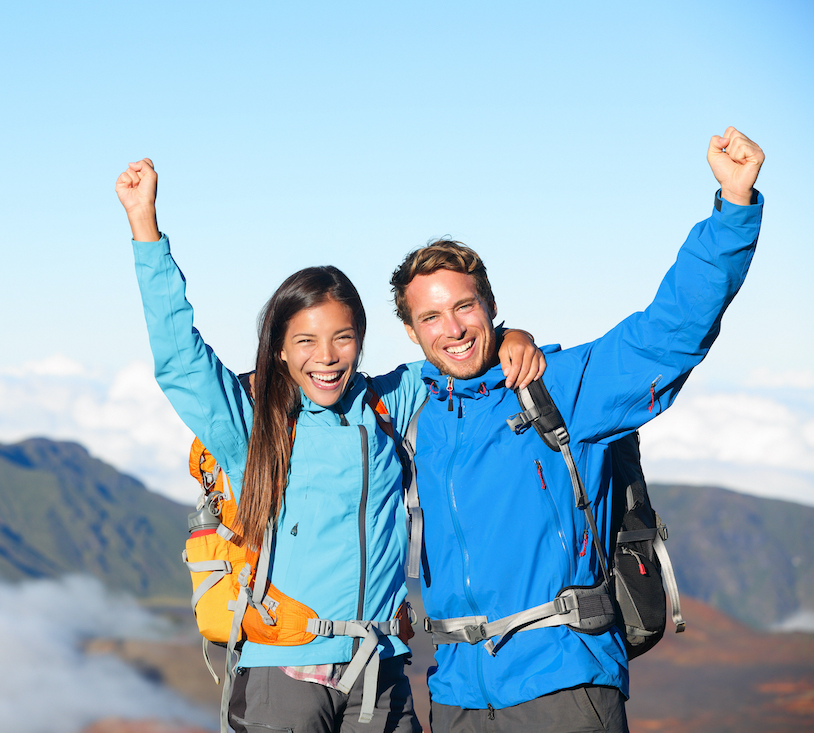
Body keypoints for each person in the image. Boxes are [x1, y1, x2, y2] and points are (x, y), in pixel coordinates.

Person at [115, 158, 544, 733]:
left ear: (361, 342)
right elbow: (179, 360)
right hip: (281, 673)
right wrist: (145, 227)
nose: (327, 355)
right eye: (306, 341)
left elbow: (457, 350)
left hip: (380, 674)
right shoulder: (253, 425)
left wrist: (513, 334)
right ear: (279, 350)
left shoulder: (391, 403)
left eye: (343, 337)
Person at [388, 127, 764, 733]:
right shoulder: (412, 412)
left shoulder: (559, 386)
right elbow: (315, 389)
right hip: (457, 694)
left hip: (564, 685)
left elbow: (666, 334)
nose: (452, 329)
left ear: (489, 304)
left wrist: (733, 211)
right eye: (430, 316)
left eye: (464, 307)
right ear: (411, 332)